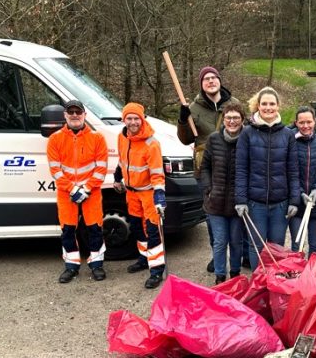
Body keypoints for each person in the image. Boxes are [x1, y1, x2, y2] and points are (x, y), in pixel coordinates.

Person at [177, 66, 239, 273]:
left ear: (220, 81)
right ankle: (217, 254)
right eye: (206, 79)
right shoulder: (194, 108)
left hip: (233, 167)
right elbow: (186, 139)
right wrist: (182, 120)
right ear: (202, 84)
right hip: (205, 168)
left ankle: (242, 253)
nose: (211, 81)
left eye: (214, 78)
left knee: (238, 212)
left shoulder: (234, 105)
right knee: (213, 214)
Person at [235, 87, 300, 269]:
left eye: (272, 104)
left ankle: (274, 286)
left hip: (280, 204)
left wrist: (294, 200)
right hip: (255, 204)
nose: (268, 107)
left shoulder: (288, 135)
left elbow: (293, 171)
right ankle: (259, 284)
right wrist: (240, 199)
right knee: (256, 247)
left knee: (276, 246)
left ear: (278, 106)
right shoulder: (247, 133)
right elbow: (241, 169)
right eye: (264, 104)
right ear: (258, 106)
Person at [47, 100, 108, 284]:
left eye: (78, 112)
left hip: (91, 192)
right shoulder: (55, 139)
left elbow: (101, 168)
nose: (74, 115)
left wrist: (86, 189)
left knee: (95, 228)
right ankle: (71, 266)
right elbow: (55, 169)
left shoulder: (97, 138)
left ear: (84, 115)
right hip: (67, 192)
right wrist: (72, 189)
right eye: (71, 112)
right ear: (65, 115)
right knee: (67, 230)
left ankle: (97, 265)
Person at [113, 102, 167, 289]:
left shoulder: (151, 144)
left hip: (149, 193)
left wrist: (160, 196)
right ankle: (144, 259)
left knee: (153, 232)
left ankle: (156, 270)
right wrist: (117, 177)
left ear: (142, 119)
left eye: (137, 118)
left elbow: (157, 173)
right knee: (137, 228)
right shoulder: (122, 137)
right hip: (131, 193)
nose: (133, 122)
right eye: (130, 118)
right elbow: (122, 160)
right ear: (124, 119)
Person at [199, 101, 246, 284]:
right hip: (215, 202)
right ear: (223, 119)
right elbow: (205, 167)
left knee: (236, 241)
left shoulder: (246, 139)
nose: (232, 121)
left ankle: (235, 273)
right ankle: (220, 276)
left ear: (242, 120)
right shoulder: (213, 139)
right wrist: (208, 189)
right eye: (228, 118)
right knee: (219, 242)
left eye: (236, 118)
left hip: (237, 203)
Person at [288, 106, 316, 257]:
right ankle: (296, 275)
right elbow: (288, 172)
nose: (305, 126)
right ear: (296, 123)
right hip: (297, 202)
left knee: (315, 244)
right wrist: (299, 193)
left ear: (315, 121)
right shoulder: (290, 141)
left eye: (309, 122)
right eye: (301, 122)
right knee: (297, 244)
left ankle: (312, 276)